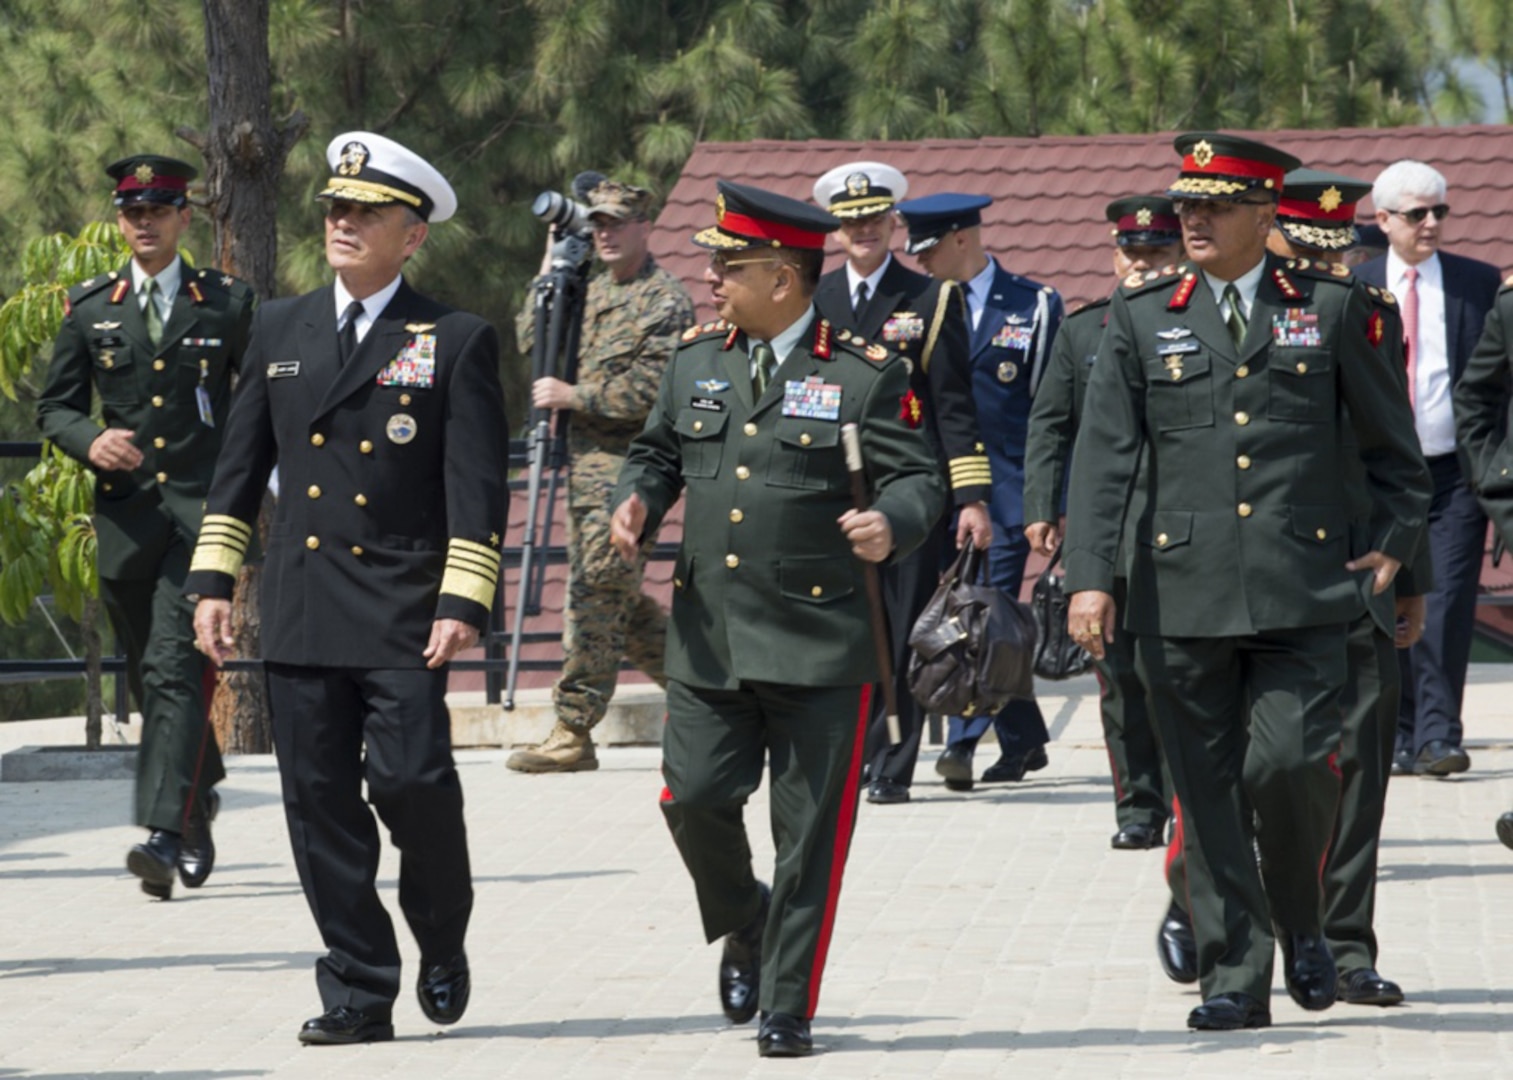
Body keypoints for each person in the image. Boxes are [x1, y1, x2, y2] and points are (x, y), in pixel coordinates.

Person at [1064, 133, 1431, 1031]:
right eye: (1185, 203)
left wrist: (1390, 546)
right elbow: (1104, 459)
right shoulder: (1142, 317)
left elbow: (1395, 453)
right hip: (1175, 589)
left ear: (1264, 215)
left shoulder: (1332, 308)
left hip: (1302, 585)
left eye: (1214, 204)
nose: (1192, 218)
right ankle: (1237, 970)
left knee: (1291, 763)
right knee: (1209, 790)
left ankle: (1304, 922)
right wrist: (1089, 580)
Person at [184, 132, 508, 1045]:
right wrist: (215, 580)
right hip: (299, 602)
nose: (343, 223)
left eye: (366, 213)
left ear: (414, 237)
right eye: (335, 208)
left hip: (404, 607)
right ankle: (360, 991)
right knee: (318, 806)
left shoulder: (452, 338)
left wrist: (462, 600)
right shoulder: (280, 327)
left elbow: (476, 487)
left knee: (413, 784)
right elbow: (238, 466)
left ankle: (441, 933)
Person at [610, 180, 945, 1057]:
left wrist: (892, 524)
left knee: (809, 841)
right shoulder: (696, 361)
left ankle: (788, 1003)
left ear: (785, 279)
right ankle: (745, 921)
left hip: (820, 644)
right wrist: (638, 499)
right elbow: (655, 452)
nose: (713, 279)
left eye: (732, 266)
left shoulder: (864, 372)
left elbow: (919, 479)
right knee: (693, 799)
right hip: (710, 639)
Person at [37, 154, 255, 900]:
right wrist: (86, 439)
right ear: (119, 219)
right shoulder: (91, 305)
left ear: (183, 217)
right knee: (150, 672)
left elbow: (255, 405)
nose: (144, 223)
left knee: (173, 665)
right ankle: (200, 798)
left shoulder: (225, 303)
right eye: (132, 212)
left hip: (204, 519)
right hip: (126, 520)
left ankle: (163, 835)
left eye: (159, 210)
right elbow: (55, 406)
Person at [1269, 167, 1428, 1006]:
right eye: (1308, 249)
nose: (1329, 268)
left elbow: (1397, 457)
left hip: (1360, 575)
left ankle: (1345, 944)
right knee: (1269, 770)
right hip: (1260, 583)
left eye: (1342, 252)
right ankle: (1245, 921)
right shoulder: (1216, 322)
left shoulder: (1368, 317)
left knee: (1360, 769)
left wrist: (1413, 579)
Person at [809, 161, 991, 805]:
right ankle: (848, 752)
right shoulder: (814, 296)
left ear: (894, 223)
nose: (864, 230)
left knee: (904, 623)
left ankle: (893, 761)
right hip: (829, 492)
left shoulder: (929, 298)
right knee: (843, 627)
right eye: (851, 221)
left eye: (875, 219)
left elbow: (953, 405)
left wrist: (969, 497)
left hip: (907, 490)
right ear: (836, 231)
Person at [507, 179, 694, 773]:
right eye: (597, 224)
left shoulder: (664, 300)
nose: (604, 233)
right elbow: (529, 339)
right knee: (617, 597)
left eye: (616, 223)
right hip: (581, 472)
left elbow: (657, 391)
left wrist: (575, 394)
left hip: (631, 473)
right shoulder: (581, 289)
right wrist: (549, 270)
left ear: (645, 225)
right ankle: (708, 694)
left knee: (593, 594)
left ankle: (573, 730)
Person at [1024, 194, 1183, 851]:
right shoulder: (1082, 331)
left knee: (1179, 676)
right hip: (1110, 535)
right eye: (1131, 253)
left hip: (1182, 530)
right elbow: (1049, 423)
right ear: (1114, 254)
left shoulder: (1202, 323)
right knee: (1120, 680)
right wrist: (1039, 505)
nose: (1142, 265)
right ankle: (1138, 807)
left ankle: (1190, 801)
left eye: (1157, 252)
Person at [892, 192, 1063, 792]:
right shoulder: (914, 307)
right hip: (939, 493)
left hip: (1012, 490)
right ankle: (1023, 738)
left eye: (930, 248)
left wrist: (1051, 501)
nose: (922, 260)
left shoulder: (1035, 305)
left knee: (983, 615)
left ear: (963, 238)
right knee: (965, 614)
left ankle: (961, 746)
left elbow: (1050, 410)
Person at [1357, 160, 1500, 778]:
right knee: (1383, 598)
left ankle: (1439, 735)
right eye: (1417, 213)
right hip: (1379, 476)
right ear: (1384, 220)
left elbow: (1496, 382)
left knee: (1444, 602)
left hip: (1453, 473)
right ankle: (1396, 729)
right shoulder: (1356, 286)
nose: (1432, 223)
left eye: (1439, 211)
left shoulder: (1478, 282)